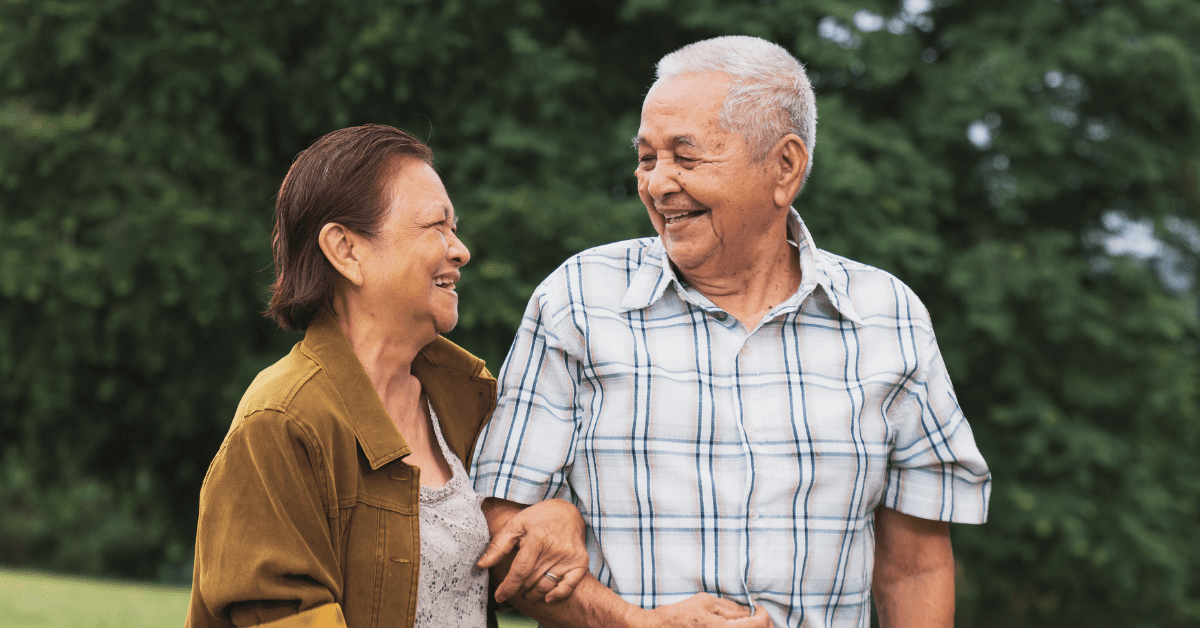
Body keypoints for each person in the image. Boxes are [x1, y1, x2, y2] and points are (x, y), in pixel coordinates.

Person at [470, 36, 992, 628]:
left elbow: (915, 566)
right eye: (647, 158)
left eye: (686, 158)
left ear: (785, 166)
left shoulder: (888, 317)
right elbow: (503, 531)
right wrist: (632, 624)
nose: (658, 184)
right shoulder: (579, 301)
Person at [186, 124, 588, 628]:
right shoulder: (282, 421)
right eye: (436, 227)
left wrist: (559, 515)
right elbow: (284, 614)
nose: (460, 250)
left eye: (454, 228)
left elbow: (511, 548)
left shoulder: (469, 400)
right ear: (347, 250)